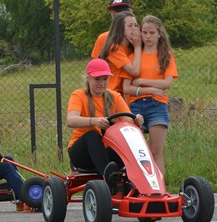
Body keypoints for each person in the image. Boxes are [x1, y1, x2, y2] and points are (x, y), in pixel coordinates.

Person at [67, 59, 144, 193]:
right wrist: (94, 121)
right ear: (88, 78)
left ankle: (141, 181)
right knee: (93, 135)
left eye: (105, 79)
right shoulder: (79, 95)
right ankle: (108, 178)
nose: (102, 83)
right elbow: (71, 120)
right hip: (82, 155)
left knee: (128, 140)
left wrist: (136, 121)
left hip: (107, 154)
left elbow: (127, 121)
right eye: (97, 79)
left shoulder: (115, 96)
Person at [123, 15, 178, 175]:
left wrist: (141, 81)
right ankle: (138, 184)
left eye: (152, 33)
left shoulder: (166, 56)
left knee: (155, 151)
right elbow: (127, 88)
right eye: (144, 32)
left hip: (157, 105)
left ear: (159, 34)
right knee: (137, 153)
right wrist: (150, 89)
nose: (148, 36)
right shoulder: (133, 57)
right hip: (136, 106)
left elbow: (167, 83)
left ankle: (159, 186)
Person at [98, 11, 142, 94]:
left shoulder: (131, 47)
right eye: (130, 26)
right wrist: (138, 47)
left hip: (124, 93)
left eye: (136, 25)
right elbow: (134, 71)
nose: (134, 28)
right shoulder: (114, 47)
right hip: (111, 92)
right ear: (120, 29)